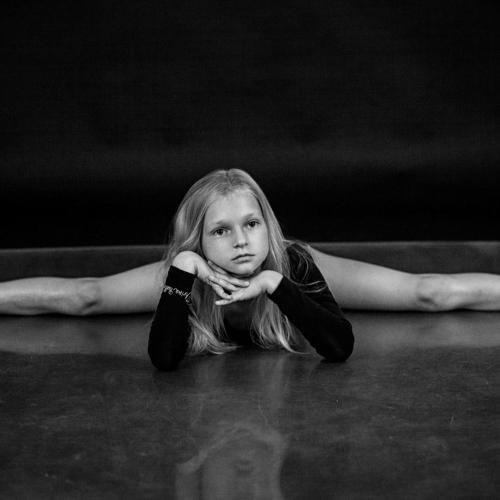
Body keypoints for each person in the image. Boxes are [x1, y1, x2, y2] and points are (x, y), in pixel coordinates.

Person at [2, 170, 500, 365]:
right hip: (197, 272)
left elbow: (339, 346)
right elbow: (164, 359)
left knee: (429, 291)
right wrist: (182, 272)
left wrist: (276, 282)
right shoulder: (188, 268)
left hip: (288, 268)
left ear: (267, 226)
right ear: (199, 241)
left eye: (251, 224)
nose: (242, 242)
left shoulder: (290, 262)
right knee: (85, 296)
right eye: (221, 230)